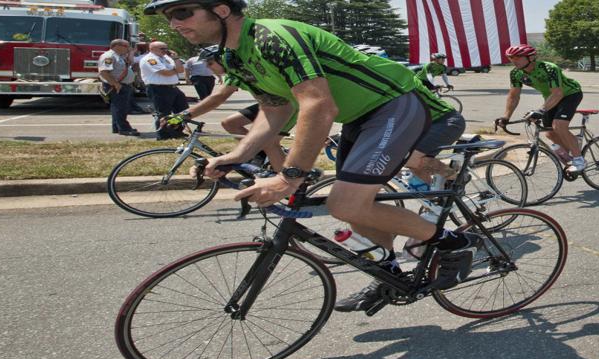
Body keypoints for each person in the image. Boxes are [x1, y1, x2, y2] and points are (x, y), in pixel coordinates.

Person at [151, 0, 477, 313]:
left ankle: (455, 244)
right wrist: (236, 154)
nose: (175, 23)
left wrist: (289, 176)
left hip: (391, 104)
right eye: (169, 17)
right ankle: (389, 274)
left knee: (345, 203)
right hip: (358, 118)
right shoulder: (234, 55)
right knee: (355, 212)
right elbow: (274, 110)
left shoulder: (272, 37)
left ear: (221, 10)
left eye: (183, 12)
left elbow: (318, 105)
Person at [162, 46, 290, 170]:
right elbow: (216, 98)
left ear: (221, 59)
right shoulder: (235, 72)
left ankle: (291, 184)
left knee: (269, 142)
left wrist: (183, 115)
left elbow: (217, 98)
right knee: (230, 123)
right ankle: (260, 156)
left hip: (289, 105)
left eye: (210, 63)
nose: (207, 67)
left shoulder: (242, 70)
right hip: (270, 103)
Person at [496, 44, 586, 174]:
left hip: (570, 94)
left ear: (531, 57)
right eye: (511, 58)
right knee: (550, 133)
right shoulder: (516, 73)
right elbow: (514, 96)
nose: (513, 61)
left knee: (559, 125)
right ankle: (571, 144)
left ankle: (579, 160)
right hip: (550, 98)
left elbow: (558, 93)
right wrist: (506, 116)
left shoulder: (549, 68)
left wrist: (541, 110)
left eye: (518, 57)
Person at [139, 41, 191, 138]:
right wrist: (174, 70)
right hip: (158, 88)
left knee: (182, 110)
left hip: (173, 87)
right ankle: (163, 135)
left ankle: (176, 131)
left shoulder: (167, 58)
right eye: (162, 48)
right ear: (152, 49)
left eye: (166, 48)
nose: (165, 50)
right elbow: (165, 73)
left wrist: (175, 58)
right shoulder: (150, 59)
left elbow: (180, 70)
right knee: (163, 113)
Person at [98, 38, 139, 136]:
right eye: (126, 46)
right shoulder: (109, 56)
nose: (128, 48)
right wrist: (116, 84)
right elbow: (104, 72)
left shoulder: (119, 56)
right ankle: (124, 129)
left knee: (119, 107)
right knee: (120, 108)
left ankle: (117, 127)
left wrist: (131, 53)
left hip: (121, 85)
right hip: (117, 85)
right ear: (117, 46)